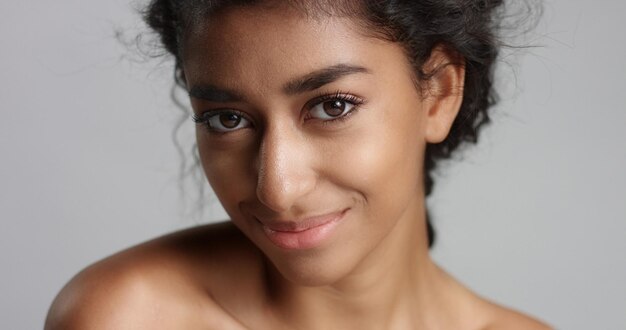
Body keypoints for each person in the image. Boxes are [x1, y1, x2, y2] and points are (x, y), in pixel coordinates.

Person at [46, 0, 551, 328]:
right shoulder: (129, 316)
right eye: (226, 119)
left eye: (333, 106)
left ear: (439, 93)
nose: (277, 189)